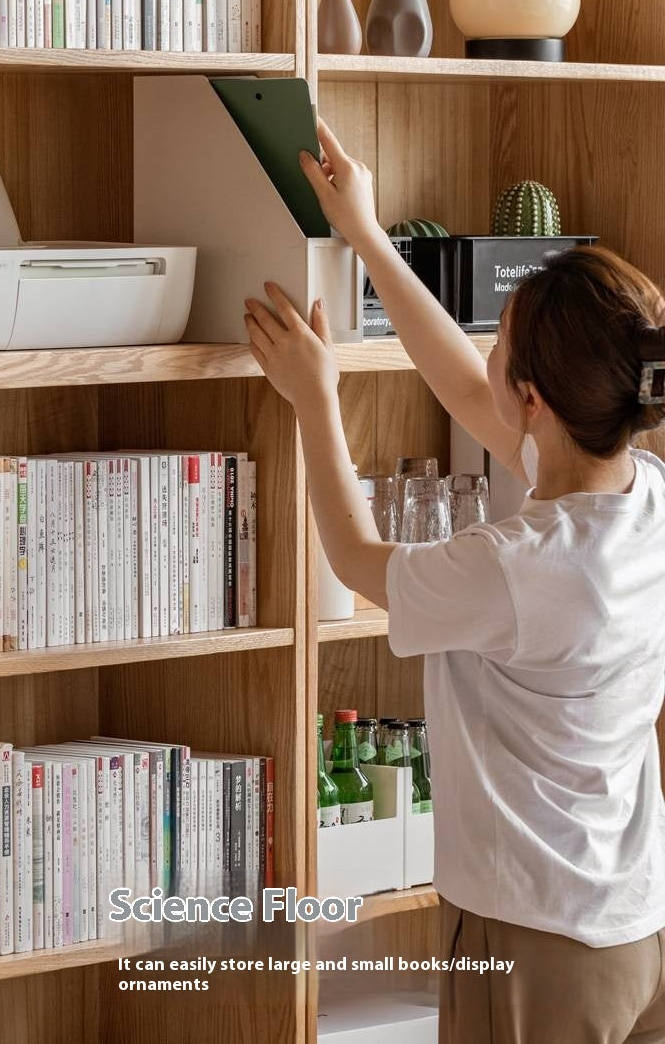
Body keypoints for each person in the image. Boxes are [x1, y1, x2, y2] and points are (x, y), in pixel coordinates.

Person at [244, 120, 665, 1043]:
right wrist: (366, 235)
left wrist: (316, 397)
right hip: (628, 926)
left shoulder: (522, 566)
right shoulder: (642, 500)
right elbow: (473, 393)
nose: (490, 356)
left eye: (501, 338)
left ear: (537, 400)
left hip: (532, 942)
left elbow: (357, 557)